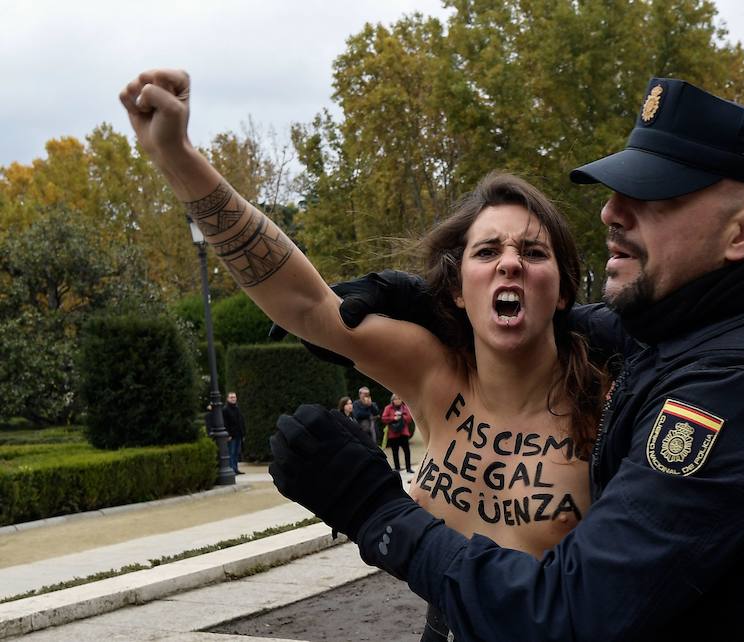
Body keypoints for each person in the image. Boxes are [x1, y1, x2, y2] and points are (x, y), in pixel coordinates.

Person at [267, 77, 744, 641]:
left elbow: (563, 616)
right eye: (618, 191)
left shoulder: (743, 395)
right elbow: (593, 326)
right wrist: (439, 307)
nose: (611, 213)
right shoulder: (698, 336)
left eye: (654, 196)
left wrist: (378, 512)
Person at [119, 69, 605, 641]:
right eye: (487, 250)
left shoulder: (608, 414)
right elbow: (305, 305)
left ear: (564, 290)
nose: (509, 262)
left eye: (534, 251)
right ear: (455, 289)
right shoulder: (434, 374)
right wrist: (177, 157)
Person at [381, 394, 414, 473]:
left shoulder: (405, 407)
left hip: (403, 433)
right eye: (396, 399)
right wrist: (393, 418)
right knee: (395, 452)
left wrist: (402, 417)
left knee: (407, 451)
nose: (398, 400)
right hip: (393, 433)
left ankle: (408, 468)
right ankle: (397, 468)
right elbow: (383, 418)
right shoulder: (388, 408)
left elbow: (409, 419)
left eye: (399, 398)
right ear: (392, 400)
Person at [221, 391, 246, 475]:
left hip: (238, 434)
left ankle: (235, 469)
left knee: (236, 453)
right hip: (231, 435)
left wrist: (243, 433)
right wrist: (228, 434)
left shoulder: (237, 408)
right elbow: (225, 423)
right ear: (228, 399)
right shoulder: (225, 410)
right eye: (231, 397)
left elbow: (241, 421)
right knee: (231, 453)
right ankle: (231, 469)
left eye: (234, 397)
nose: (233, 399)